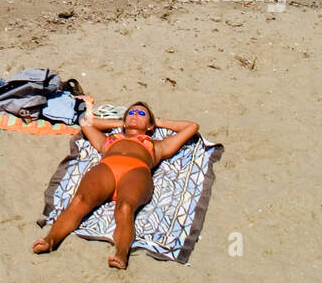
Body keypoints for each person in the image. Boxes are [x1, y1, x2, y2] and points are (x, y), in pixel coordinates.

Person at [32, 99, 198, 269]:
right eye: (131, 113)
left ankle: (121, 252)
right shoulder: (108, 140)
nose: (135, 115)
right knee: (79, 200)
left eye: (142, 114)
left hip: (136, 171)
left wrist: (158, 123)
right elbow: (85, 122)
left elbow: (191, 127)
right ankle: (51, 239)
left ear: (150, 125)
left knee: (125, 208)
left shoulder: (157, 145)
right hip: (107, 169)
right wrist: (120, 123)